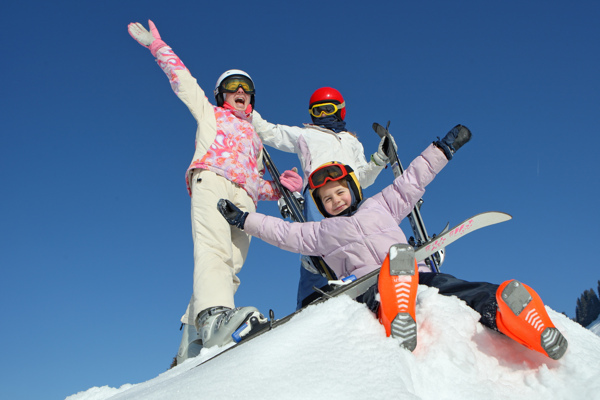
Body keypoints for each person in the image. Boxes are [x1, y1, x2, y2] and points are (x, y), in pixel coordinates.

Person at [217, 125, 569, 360]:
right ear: (321, 208)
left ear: (353, 190)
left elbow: (412, 180)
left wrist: (443, 149)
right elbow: (282, 233)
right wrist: (243, 220)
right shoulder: (319, 233)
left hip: (413, 273)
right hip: (367, 285)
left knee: (454, 286)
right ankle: (395, 311)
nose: (335, 200)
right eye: (327, 199)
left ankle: (511, 312)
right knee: (383, 285)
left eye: (340, 192)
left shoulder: (380, 205)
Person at [127, 20, 303, 364]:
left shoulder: (254, 136)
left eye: (246, 88)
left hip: (244, 200)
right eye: (232, 87)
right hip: (212, 180)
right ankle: (215, 318)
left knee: (232, 266)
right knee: (213, 250)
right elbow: (184, 82)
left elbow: (252, 180)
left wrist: (279, 187)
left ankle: (191, 340)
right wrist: (157, 47)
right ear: (221, 94)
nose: (240, 91)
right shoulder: (210, 114)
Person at [252, 87, 394, 309]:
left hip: (350, 195)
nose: (322, 116)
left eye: (327, 109)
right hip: (319, 196)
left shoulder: (352, 142)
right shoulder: (306, 135)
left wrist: (380, 158)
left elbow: (363, 178)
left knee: (361, 242)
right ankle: (310, 304)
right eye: (316, 112)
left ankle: (368, 284)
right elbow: (271, 132)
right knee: (318, 247)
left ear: (340, 111)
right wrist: (247, 110)